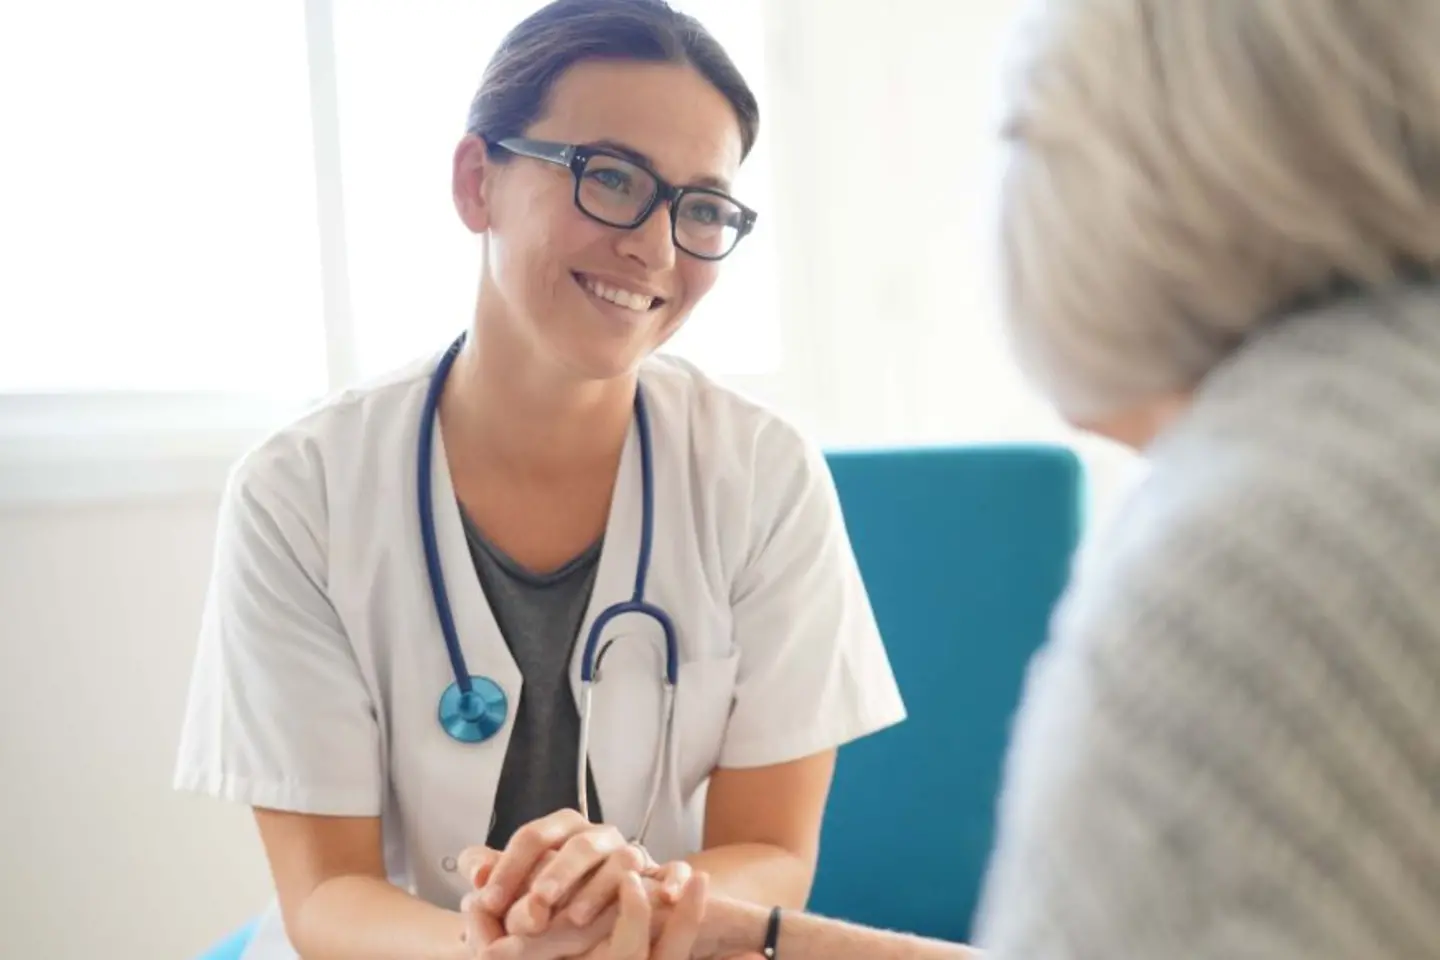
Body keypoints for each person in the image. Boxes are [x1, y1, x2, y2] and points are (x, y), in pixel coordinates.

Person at [471, 0, 1440, 956]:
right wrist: (739, 931)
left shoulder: (1238, 555)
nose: (654, 242)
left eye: (1027, 146)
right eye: (607, 178)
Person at [171, 1, 907, 957]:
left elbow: (767, 848)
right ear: (478, 182)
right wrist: (504, 954)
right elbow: (329, 895)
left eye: (702, 208)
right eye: (609, 177)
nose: (655, 246)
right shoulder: (299, 492)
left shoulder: (765, 477)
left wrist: (635, 912)